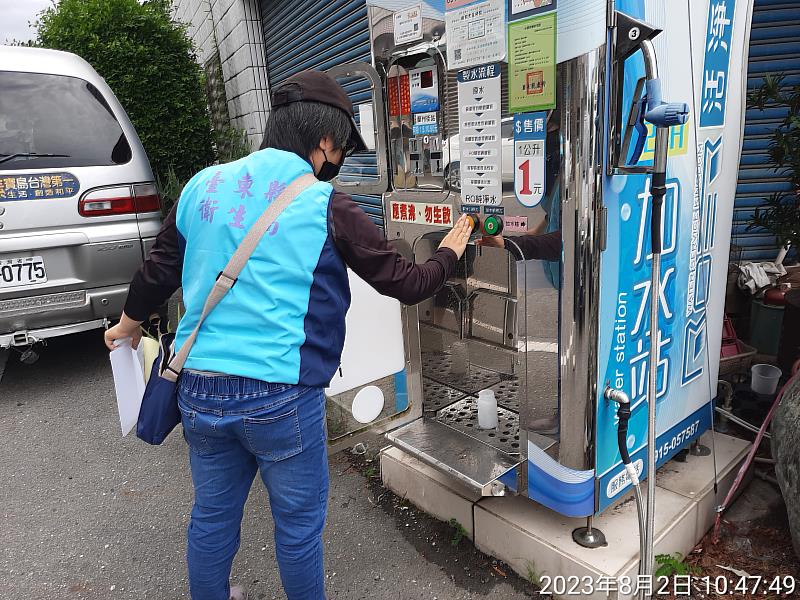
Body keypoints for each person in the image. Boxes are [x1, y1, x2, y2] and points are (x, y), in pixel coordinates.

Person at [104, 70, 473, 600]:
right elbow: (406, 284)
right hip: (281, 395)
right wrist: (449, 251)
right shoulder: (328, 205)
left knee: (212, 518)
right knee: (298, 530)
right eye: (342, 148)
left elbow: (157, 274)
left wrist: (126, 326)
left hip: (200, 389)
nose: (341, 160)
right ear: (324, 142)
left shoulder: (202, 186)